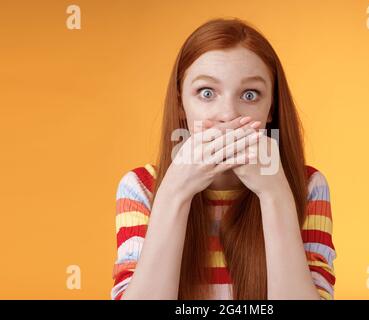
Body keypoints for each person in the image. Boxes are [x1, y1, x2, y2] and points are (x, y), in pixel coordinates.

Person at [111, 17, 336, 300]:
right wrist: (174, 194)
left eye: (250, 94)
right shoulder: (140, 186)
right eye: (206, 93)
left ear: (270, 109)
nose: (228, 114)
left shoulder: (308, 186)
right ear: (181, 103)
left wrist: (275, 193)